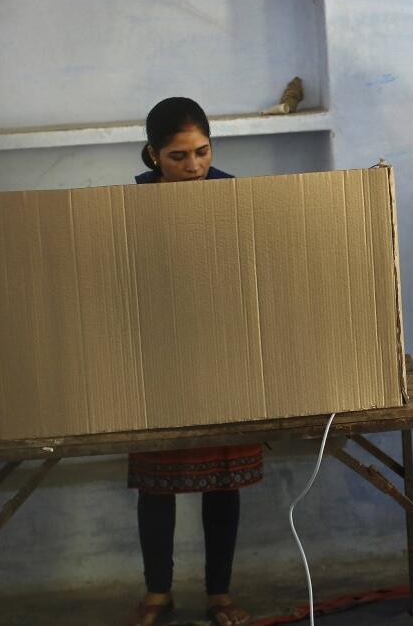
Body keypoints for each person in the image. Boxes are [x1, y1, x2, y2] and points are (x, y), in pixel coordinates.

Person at [127, 97, 260, 626]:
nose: (194, 167)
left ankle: (219, 595)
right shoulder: (130, 204)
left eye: (202, 152)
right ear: (154, 156)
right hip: (157, 355)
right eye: (179, 157)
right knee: (156, 483)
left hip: (223, 354)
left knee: (221, 480)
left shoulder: (234, 195)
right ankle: (158, 593)